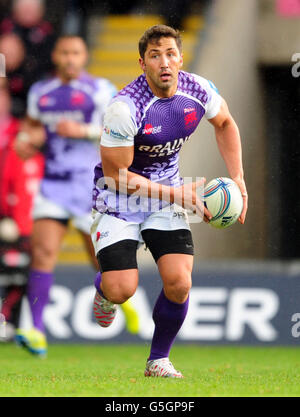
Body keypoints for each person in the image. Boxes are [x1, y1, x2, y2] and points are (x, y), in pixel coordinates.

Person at [91, 24, 248, 378]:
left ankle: (158, 359)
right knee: (121, 289)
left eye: (170, 54)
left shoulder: (198, 89)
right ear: (142, 63)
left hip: (168, 192)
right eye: (154, 55)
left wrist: (238, 178)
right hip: (119, 197)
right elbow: (115, 175)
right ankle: (103, 291)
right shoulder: (124, 106)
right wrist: (180, 194)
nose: (164, 62)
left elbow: (225, 123)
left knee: (179, 282)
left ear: (180, 58)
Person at [14, 35, 139, 356]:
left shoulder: (100, 90)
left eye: (76, 53)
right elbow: (32, 128)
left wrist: (82, 131)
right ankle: (36, 330)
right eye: (64, 52)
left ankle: (121, 297)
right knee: (42, 254)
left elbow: (121, 132)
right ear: (55, 56)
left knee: (98, 258)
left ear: (83, 57)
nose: (70, 58)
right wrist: (25, 142)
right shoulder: (41, 92)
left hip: (91, 186)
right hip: (53, 183)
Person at [0, 80, 44, 339]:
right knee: (10, 273)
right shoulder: (11, 153)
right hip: (13, 224)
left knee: (25, 276)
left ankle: (14, 323)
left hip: (32, 227)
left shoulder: (41, 158)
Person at [0, 0, 56, 117]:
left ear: (40, 11)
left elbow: (50, 63)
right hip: (8, 85)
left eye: (31, 9)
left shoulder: (48, 32)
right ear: (15, 10)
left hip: (36, 85)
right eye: (24, 8)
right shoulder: (5, 26)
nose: (28, 12)